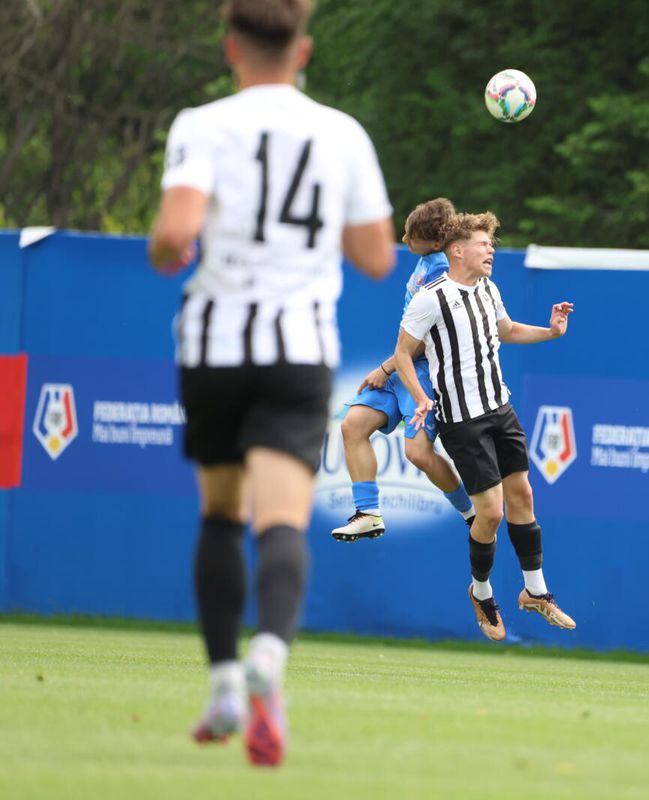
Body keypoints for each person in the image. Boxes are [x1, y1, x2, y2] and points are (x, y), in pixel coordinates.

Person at [147, 0, 395, 768]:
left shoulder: (200, 124)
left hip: (216, 346)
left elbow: (172, 238)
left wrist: (177, 248)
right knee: (280, 522)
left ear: (232, 48)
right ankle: (270, 660)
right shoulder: (341, 133)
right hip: (297, 348)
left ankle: (223, 681)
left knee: (221, 514)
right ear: (304, 50)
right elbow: (378, 257)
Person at [393, 211, 575, 641]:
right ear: (457, 251)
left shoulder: (488, 289)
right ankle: (481, 591)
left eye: (492, 244)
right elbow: (403, 353)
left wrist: (551, 332)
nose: (491, 250)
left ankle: (536, 592)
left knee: (524, 495)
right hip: (463, 421)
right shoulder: (430, 298)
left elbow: (506, 330)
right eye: (483, 244)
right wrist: (421, 398)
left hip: (500, 408)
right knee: (490, 513)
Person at [331, 198, 475, 542]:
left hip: (424, 373)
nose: (405, 238)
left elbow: (425, 339)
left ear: (437, 242)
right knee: (353, 426)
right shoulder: (428, 260)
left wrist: (385, 366)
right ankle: (368, 513)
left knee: (418, 454)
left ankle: (472, 515)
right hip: (403, 367)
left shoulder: (441, 270)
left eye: (412, 235)